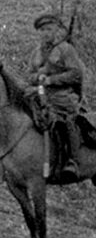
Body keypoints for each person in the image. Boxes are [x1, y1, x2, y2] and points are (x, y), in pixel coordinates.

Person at [27, 11, 85, 178]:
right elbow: (29, 75)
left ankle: (72, 161)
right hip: (40, 94)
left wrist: (51, 80)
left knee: (66, 121)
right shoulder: (36, 52)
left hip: (62, 95)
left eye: (49, 29)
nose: (46, 33)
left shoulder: (66, 49)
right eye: (42, 30)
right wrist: (37, 77)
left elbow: (76, 74)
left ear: (56, 30)